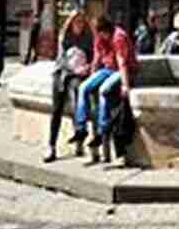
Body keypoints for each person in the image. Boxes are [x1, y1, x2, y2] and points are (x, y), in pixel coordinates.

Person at [70, 15, 138, 163]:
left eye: (101, 33)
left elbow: (122, 62)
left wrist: (125, 85)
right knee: (83, 88)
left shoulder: (119, 36)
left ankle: (101, 131)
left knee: (104, 90)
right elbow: (97, 58)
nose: (99, 37)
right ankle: (81, 129)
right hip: (108, 69)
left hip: (123, 71)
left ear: (107, 30)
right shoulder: (99, 37)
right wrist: (92, 78)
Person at [45, 9, 95, 163]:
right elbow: (61, 59)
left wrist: (87, 68)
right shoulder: (65, 37)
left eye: (81, 22)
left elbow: (94, 56)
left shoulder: (88, 38)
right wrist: (73, 69)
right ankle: (51, 145)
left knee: (77, 103)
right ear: (71, 22)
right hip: (62, 74)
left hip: (77, 75)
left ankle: (79, 140)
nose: (78, 25)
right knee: (56, 110)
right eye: (76, 21)